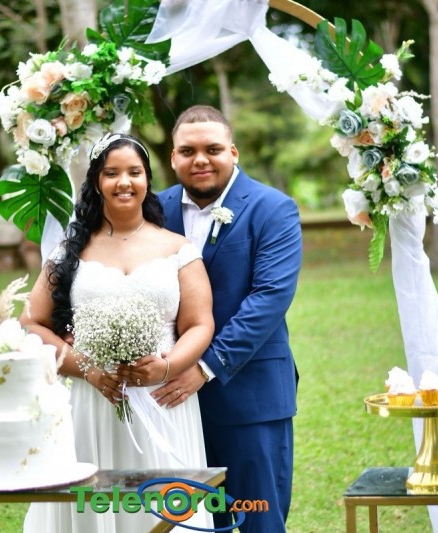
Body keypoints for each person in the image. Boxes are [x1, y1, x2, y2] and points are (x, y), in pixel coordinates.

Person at [21, 132, 215, 531]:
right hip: (93, 403)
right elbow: (32, 323)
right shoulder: (70, 251)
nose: (123, 182)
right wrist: (87, 369)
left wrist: (167, 367)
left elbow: (200, 324)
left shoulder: (177, 249)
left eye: (134, 172)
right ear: (96, 182)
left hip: (163, 401)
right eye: (111, 173)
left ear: (147, 180)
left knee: (163, 509)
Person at [154, 104, 302, 532]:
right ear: (173, 157)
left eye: (213, 149)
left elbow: (269, 299)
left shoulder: (273, 209)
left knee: (259, 521)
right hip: (171, 405)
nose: (200, 160)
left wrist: (204, 367)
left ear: (233, 152)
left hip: (250, 397)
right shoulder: (154, 209)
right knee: (187, 523)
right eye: (188, 151)